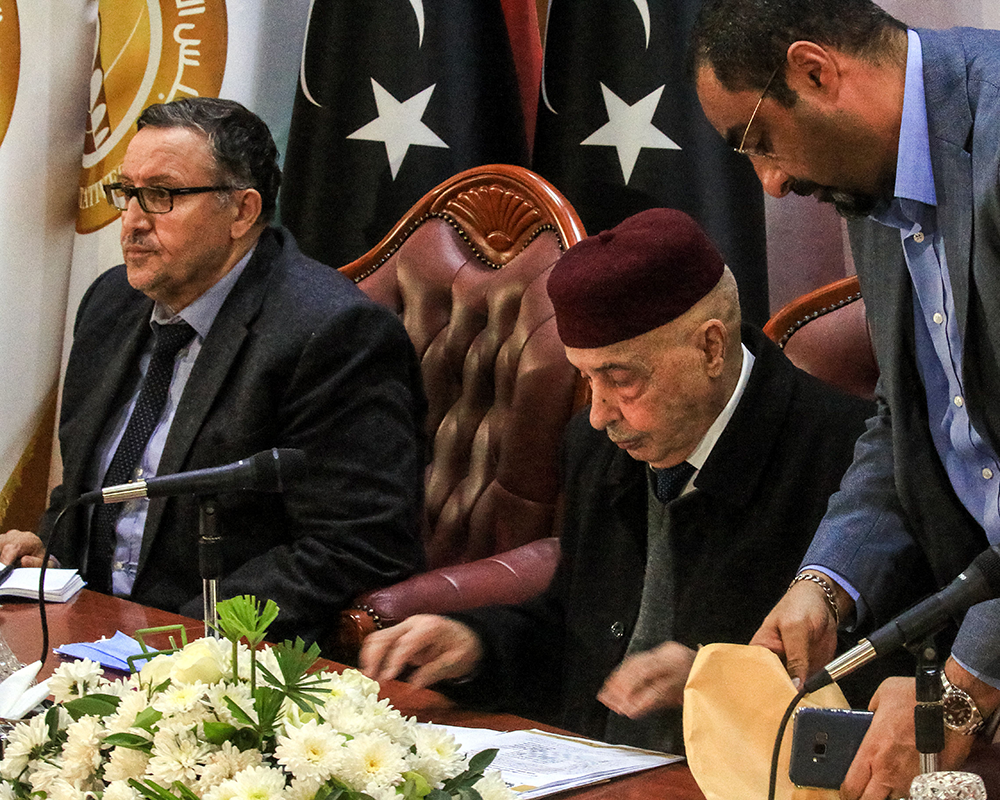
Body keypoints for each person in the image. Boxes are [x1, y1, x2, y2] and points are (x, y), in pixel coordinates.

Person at [690, 2, 1000, 798]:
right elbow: (913, 418)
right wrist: (827, 581)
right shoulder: (874, 182)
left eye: (758, 138)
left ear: (816, 71)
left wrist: (965, 685)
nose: (772, 180)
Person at [358, 207, 878, 754]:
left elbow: (885, 686)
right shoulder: (598, 448)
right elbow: (575, 632)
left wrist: (718, 677)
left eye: (620, 379)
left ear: (710, 347)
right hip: (596, 768)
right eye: (586, 377)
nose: (598, 413)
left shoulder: (850, 462)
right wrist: (476, 644)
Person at [0, 97, 427, 643]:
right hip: (86, 626)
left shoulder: (332, 333)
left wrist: (180, 637)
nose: (131, 222)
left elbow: (355, 544)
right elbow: (94, 486)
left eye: (161, 195)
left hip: (216, 657)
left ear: (242, 212)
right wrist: (53, 548)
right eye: (127, 192)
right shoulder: (112, 302)